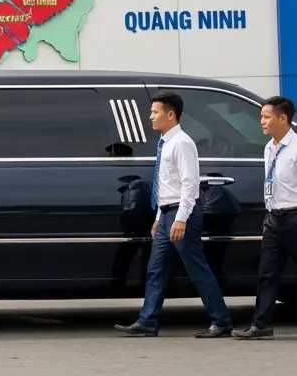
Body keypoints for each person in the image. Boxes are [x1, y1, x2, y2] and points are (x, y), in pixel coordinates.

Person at [114, 92, 232, 338]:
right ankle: (147, 321)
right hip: (167, 214)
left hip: (181, 214)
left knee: (197, 269)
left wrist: (181, 218)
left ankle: (221, 320)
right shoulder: (166, 143)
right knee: (156, 269)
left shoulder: (182, 143)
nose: (151, 117)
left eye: (155, 112)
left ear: (170, 114)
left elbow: (190, 184)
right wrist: (159, 217)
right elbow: (166, 184)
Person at [234, 95, 297, 340]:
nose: (262, 121)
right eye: (261, 116)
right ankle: (261, 325)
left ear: (283, 118)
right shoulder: (269, 147)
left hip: (294, 218)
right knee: (267, 273)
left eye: (266, 117)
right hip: (274, 220)